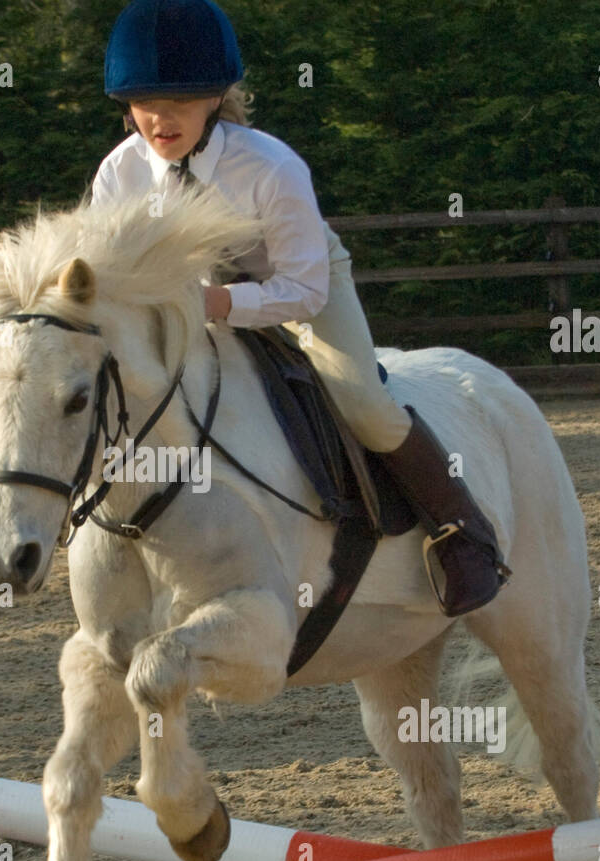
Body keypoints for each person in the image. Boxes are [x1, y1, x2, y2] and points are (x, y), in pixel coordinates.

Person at [93, 0, 507, 615]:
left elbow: (303, 289)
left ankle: (461, 533)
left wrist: (218, 301)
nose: (159, 117)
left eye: (179, 99)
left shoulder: (269, 166)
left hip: (297, 286)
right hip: (188, 305)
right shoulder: (117, 175)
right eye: (144, 101)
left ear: (215, 98)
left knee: (362, 400)